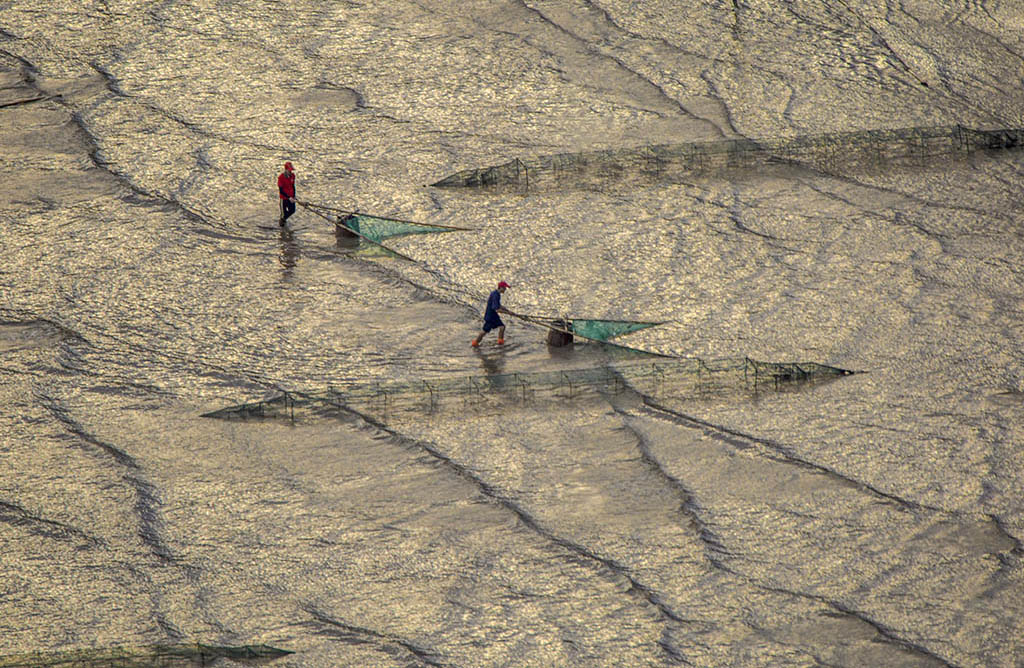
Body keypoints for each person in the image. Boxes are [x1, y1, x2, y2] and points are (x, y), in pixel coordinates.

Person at [472, 281, 513, 347]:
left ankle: (500, 342)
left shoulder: (496, 293)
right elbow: (496, 309)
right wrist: (508, 313)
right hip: (490, 316)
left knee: (502, 327)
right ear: (501, 288)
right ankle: (475, 343)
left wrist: (507, 310)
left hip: (494, 316)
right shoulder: (495, 295)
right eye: (505, 288)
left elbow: (498, 305)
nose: (505, 290)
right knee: (484, 331)